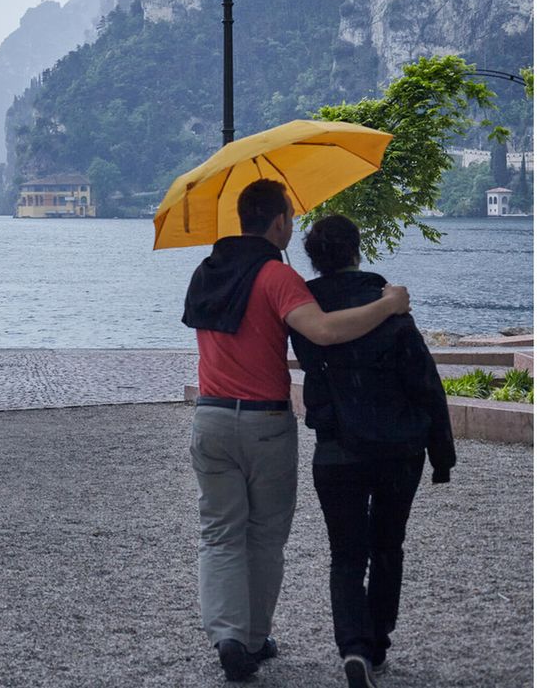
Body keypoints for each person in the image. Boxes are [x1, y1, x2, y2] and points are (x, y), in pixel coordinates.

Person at [181, 179, 411, 682]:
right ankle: (255, 638)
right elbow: (325, 331)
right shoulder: (275, 276)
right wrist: (389, 305)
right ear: (279, 221)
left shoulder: (206, 272)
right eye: (289, 214)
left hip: (210, 417)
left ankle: (227, 637)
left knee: (219, 534)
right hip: (263, 423)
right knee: (264, 535)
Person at [289, 214, 456, 688]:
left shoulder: (305, 314)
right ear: (357, 250)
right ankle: (378, 641)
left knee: (345, 555)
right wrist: (441, 455)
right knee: (387, 547)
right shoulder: (389, 306)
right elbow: (425, 383)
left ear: (314, 259)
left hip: (338, 448)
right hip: (398, 448)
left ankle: (354, 648)